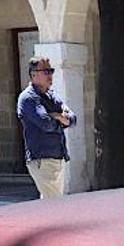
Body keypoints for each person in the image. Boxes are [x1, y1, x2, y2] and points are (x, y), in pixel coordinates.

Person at [16, 55, 77, 200]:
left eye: (51, 71)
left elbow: (72, 119)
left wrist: (56, 116)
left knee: (50, 203)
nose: (50, 75)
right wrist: (60, 119)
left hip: (57, 156)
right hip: (42, 159)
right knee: (54, 203)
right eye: (46, 71)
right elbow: (46, 124)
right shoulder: (28, 98)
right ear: (33, 75)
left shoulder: (52, 96)